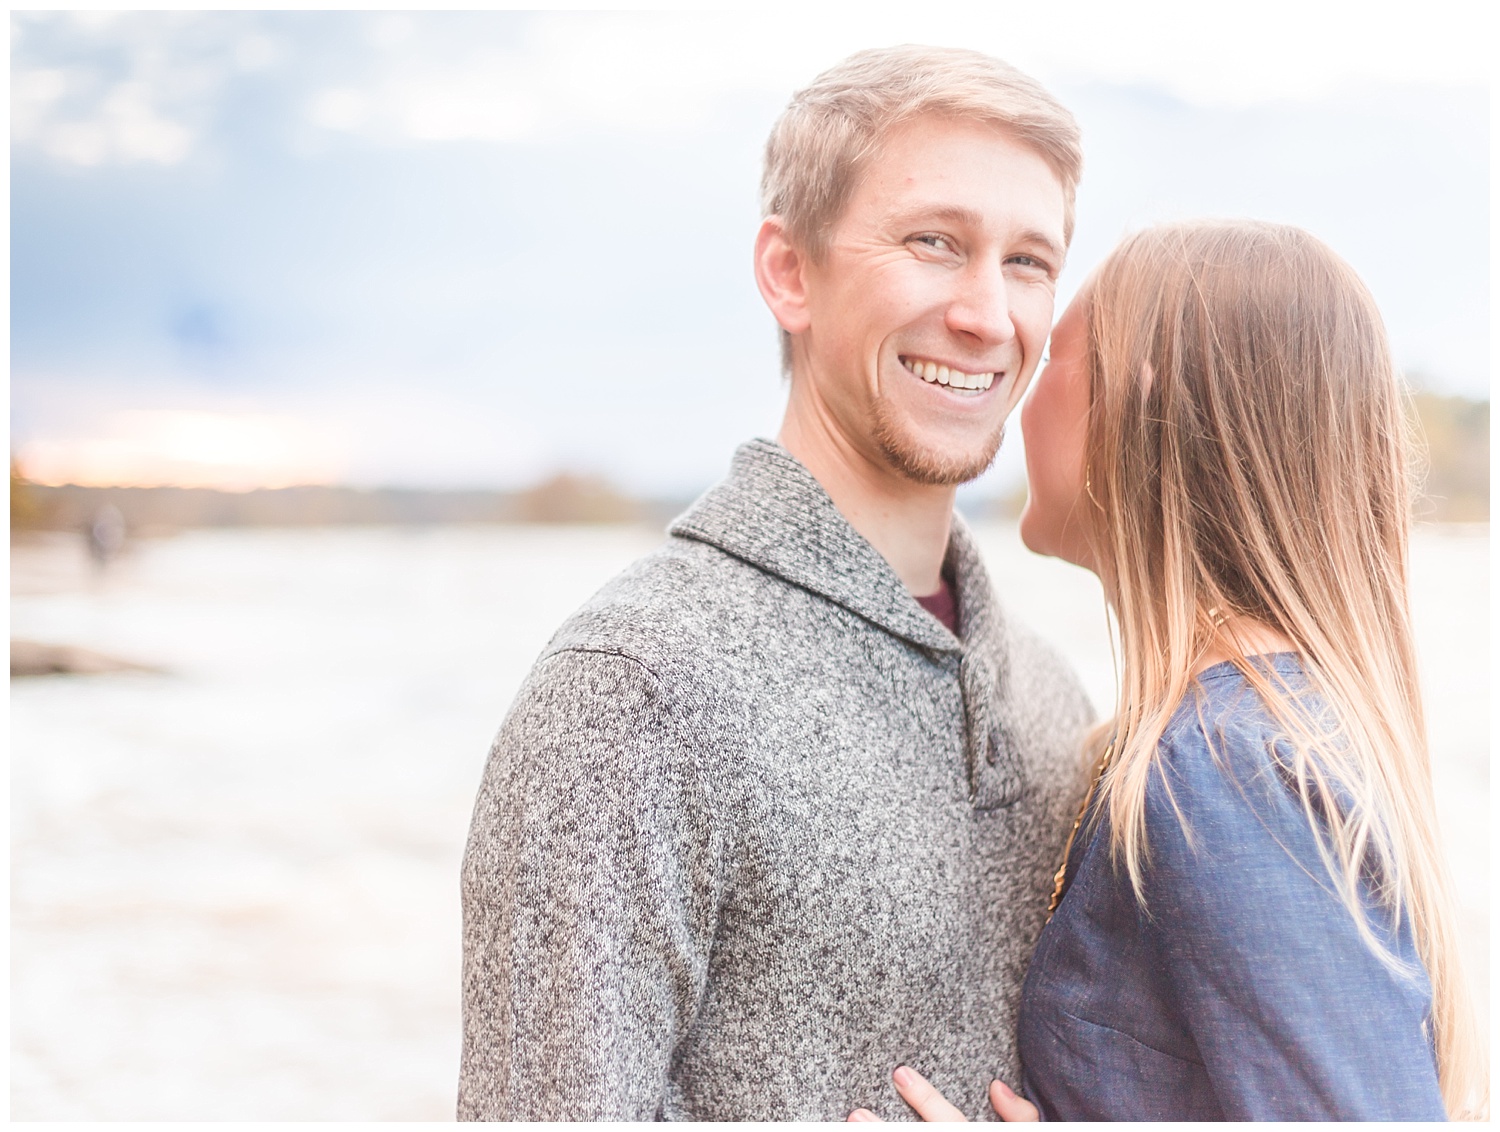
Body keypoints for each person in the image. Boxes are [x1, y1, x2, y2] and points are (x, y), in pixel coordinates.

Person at [458, 46, 1096, 1121]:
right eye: (934, 242)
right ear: (789, 272)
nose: (989, 316)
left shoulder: (1052, 697)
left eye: (1028, 261)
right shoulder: (628, 693)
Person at [848, 220, 1486, 1122]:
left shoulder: (1221, 771)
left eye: (1054, 359)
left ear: (1134, 402)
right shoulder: (1257, 733)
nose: (1018, 394)